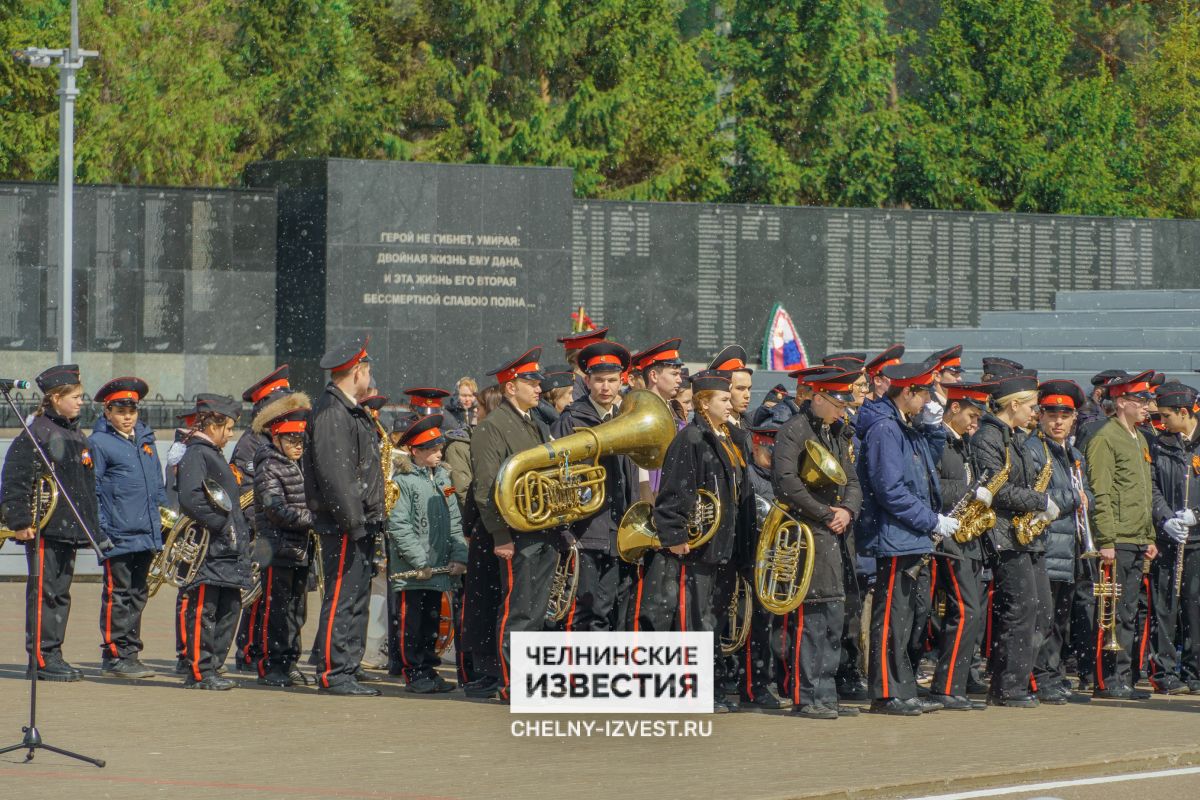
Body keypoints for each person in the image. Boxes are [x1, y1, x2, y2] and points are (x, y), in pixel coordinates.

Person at [633, 370, 754, 713]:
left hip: (724, 545)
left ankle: (709, 687)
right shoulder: (691, 440)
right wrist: (675, 535)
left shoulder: (730, 437)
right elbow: (674, 492)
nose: (731, 403)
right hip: (699, 546)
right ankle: (691, 690)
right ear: (704, 403)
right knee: (694, 620)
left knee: (713, 618)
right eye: (724, 399)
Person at [854, 362, 950, 716]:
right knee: (891, 617)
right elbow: (889, 490)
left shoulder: (903, 425)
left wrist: (934, 429)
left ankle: (902, 687)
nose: (927, 401)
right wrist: (931, 520)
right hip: (894, 536)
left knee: (906, 617)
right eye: (923, 393)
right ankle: (885, 692)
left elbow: (927, 466)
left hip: (908, 536)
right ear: (907, 392)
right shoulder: (885, 428)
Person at [2, 364, 103, 682]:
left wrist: (93, 529)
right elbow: (15, 480)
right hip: (45, 527)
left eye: (80, 396)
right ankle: (42, 658)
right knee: (45, 593)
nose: (80, 402)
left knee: (60, 593)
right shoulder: (37, 432)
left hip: (69, 528)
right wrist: (19, 520)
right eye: (74, 397)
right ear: (55, 398)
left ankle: (54, 651)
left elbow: (85, 488)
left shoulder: (76, 434)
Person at [772, 370, 863, 719]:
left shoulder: (836, 432)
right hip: (808, 532)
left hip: (834, 532)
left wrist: (848, 510)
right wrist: (827, 513)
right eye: (839, 404)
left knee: (833, 615)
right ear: (819, 398)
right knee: (811, 617)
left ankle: (826, 693)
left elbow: (852, 479)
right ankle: (805, 694)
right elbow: (786, 483)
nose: (843, 411)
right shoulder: (794, 430)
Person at [304, 334, 385, 696]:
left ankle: (346, 665)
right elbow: (337, 477)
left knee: (355, 597)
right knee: (342, 596)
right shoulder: (334, 412)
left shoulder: (346, 409)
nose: (370, 377)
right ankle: (335, 671)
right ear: (358, 370)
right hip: (345, 524)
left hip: (358, 522)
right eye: (367, 370)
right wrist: (354, 522)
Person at [470, 347, 553, 702]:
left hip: (541, 530)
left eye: (538, 381)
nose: (539, 388)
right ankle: (511, 683)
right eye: (530, 382)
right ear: (510, 388)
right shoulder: (492, 426)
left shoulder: (533, 423)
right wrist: (500, 536)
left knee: (535, 611)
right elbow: (487, 489)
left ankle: (529, 680)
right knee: (518, 610)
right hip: (517, 534)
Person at [973, 371, 1057, 708]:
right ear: (1015, 404)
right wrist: (1039, 502)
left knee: (1041, 610)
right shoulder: (989, 437)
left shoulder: (1014, 436)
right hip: (1004, 535)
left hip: (1024, 535)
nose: (1036, 413)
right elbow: (997, 489)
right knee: (1019, 610)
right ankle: (1008, 686)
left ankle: (1021, 680)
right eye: (1033, 406)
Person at [552, 341, 638, 632]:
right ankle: (580, 676)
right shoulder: (571, 419)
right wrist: (565, 531)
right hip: (585, 532)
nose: (606, 387)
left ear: (621, 381)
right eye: (599, 380)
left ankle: (604, 672)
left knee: (615, 608)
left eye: (612, 380)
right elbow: (557, 480)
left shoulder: (627, 418)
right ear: (586, 380)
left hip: (618, 531)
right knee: (587, 612)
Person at [1085, 370, 1158, 700]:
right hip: (1117, 539)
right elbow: (1101, 493)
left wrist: (1150, 535)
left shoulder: (1139, 438)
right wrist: (1107, 541)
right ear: (1122, 402)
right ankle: (1106, 679)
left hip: (1136, 536)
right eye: (1141, 400)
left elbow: (1143, 492)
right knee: (1111, 612)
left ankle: (1124, 676)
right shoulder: (1105, 438)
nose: (1148, 406)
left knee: (1129, 612)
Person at [89, 376, 167, 679]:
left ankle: (131, 651)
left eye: (132, 411)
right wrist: (103, 531)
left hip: (146, 533)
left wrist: (163, 523)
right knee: (118, 594)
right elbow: (92, 490)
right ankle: (114, 654)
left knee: (137, 593)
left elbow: (157, 487)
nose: (127, 417)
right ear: (108, 412)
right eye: (120, 412)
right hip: (118, 534)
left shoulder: (145, 440)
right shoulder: (99, 443)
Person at [176, 394, 253, 690]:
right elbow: (191, 498)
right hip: (210, 549)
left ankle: (213, 667)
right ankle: (200, 670)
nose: (231, 434)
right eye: (228, 428)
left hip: (227, 550)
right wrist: (222, 525)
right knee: (204, 612)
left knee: (228, 611)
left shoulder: (212, 453)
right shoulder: (197, 453)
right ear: (212, 425)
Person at [386, 414, 467, 693]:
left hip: (439, 567)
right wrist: (420, 560)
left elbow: (455, 520)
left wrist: (459, 555)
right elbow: (398, 525)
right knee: (413, 621)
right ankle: (414, 670)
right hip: (415, 570)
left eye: (439, 448)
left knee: (432, 619)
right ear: (415, 452)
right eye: (431, 449)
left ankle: (428, 667)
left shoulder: (443, 477)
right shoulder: (404, 481)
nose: (438, 453)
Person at [926, 382, 993, 711]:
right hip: (947, 539)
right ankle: (945, 686)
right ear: (953, 409)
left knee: (971, 614)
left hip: (967, 540)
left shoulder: (964, 445)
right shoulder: (938, 441)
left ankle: (956, 684)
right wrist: (968, 488)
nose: (974, 423)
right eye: (971, 414)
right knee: (965, 612)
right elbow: (931, 484)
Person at [1027, 380, 1093, 704]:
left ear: (1074, 419)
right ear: (1040, 416)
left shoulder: (1075, 454)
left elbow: (1086, 492)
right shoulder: (1033, 449)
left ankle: (1053, 673)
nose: (1058, 421)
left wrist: (1084, 497)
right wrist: (1073, 497)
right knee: (1044, 618)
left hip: (1070, 547)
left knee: (1060, 621)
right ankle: (1039, 677)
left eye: (1064, 415)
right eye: (1051, 414)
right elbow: (1035, 495)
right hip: (1047, 543)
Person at [250, 390, 315, 687]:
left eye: (300, 440)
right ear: (276, 438)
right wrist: (312, 519)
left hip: (300, 549)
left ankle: (289, 662)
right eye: (291, 440)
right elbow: (275, 509)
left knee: (295, 612)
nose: (297, 446)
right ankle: (271, 665)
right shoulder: (269, 465)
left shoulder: (299, 465)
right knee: (275, 611)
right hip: (278, 548)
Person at [231, 365, 292, 674]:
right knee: (257, 599)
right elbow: (244, 494)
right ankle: (249, 651)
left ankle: (274, 650)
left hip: (283, 532)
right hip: (261, 533)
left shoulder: (283, 438)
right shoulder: (250, 444)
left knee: (281, 602)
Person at [1147, 381, 1200, 694]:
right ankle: (1164, 673)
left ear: (1184, 412)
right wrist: (1166, 517)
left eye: (1166, 415)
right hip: (1169, 538)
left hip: (1198, 539)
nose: (1161, 421)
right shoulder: (1159, 444)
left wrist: (1196, 514)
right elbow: (1151, 486)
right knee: (1165, 607)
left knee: (1195, 608)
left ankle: (1195, 673)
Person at [558, 327, 609, 401]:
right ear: (577, 358)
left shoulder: (581, 381)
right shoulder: (573, 388)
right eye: (596, 355)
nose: (602, 359)